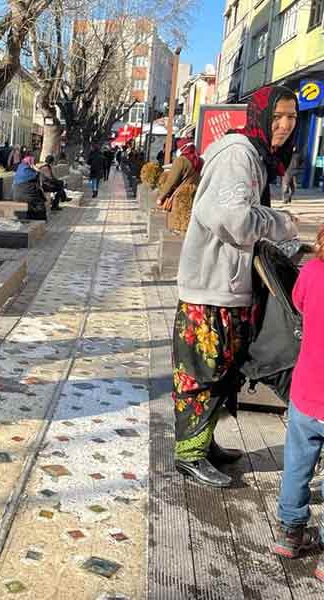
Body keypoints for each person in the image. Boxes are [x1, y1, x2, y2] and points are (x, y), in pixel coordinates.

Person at [172, 85, 300, 487]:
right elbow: (232, 219)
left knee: (223, 371)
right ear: (259, 115)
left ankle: (204, 442)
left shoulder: (258, 156)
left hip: (229, 286)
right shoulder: (239, 155)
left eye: (292, 118)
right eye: (277, 116)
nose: (283, 126)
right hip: (209, 287)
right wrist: (280, 222)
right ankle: (188, 455)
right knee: (200, 372)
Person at [272, 225, 324, 577]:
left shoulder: (313, 272)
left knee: (297, 463)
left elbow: (298, 303)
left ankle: (291, 533)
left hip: (307, 392)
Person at [155, 138, 204, 232]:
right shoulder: (199, 161)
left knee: (176, 227)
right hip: (194, 197)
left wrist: (161, 197)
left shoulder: (181, 160)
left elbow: (171, 181)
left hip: (179, 198)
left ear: (182, 148)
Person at [13, 156, 46, 220]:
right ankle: (40, 222)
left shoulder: (20, 168)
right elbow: (41, 178)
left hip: (16, 196)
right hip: (28, 195)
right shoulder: (29, 171)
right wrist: (36, 169)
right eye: (34, 162)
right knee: (39, 204)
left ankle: (31, 218)